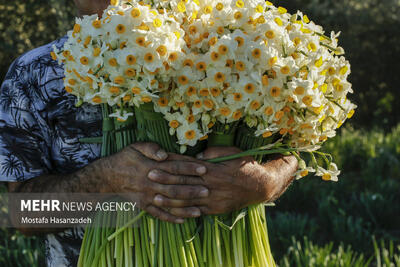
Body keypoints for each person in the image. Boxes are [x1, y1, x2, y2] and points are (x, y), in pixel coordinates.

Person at [0, 0, 298, 266]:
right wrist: (103, 184)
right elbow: (25, 215)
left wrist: (266, 182)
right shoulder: (34, 75)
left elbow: (287, 153)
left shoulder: (213, 47)